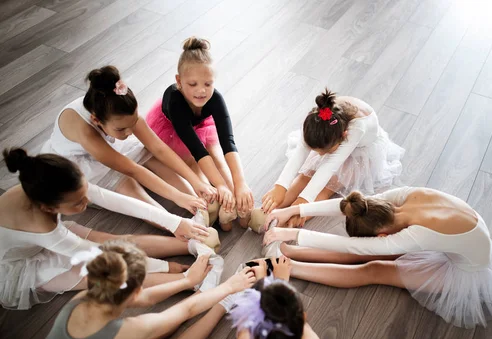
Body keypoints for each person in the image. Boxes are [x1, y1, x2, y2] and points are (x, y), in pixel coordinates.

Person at [17, 240, 256, 339]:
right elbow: (186, 311)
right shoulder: (126, 329)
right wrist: (228, 286)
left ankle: (206, 293)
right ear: (134, 292)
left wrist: (186, 281)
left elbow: (146, 297)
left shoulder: (84, 297)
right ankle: (223, 303)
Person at [263, 187, 492, 328]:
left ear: (382, 235)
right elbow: (349, 205)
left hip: (469, 268)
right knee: (371, 256)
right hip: (455, 240)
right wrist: (293, 210)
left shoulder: (417, 234)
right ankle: (292, 251)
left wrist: (294, 232)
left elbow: (353, 248)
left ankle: (289, 266)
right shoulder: (402, 199)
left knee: (374, 269)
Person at [0, 148, 209, 310]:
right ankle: (189, 282)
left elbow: (112, 200)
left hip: (49, 239)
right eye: (78, 203)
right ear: (49, 208)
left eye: (84, 196)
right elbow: (102, 258)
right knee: (111, 276)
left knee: (120, 241)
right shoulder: (41, 225)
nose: (86, 203)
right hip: (22, 265)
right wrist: (165, 267)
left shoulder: (49, 184)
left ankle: (192, 243)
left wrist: (174, 222)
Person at [41, 65, 213, 216]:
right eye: (122, 129)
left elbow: (158, 147)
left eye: (133, 124)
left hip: (110, 141)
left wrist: (195, 181)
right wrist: (177, 197)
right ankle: (176, 224)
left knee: (150, 155)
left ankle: (200, 203)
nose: (130, 132)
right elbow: (133, 170)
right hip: (79, 162)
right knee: (127, 185)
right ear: (96, 120)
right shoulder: (87, 132)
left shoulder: (122, 113)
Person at [147, 37, 253, 231]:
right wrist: (218, 186)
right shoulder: (176, 102)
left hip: (201, 125)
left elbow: (228, 142)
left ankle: (237, 203)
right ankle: (216, 201)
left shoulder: (215, 99)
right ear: (179, 81)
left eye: (208, 83)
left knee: (219, 160)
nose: (201, 91)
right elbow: (197, 149)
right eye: (193, 84)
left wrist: (240, 184)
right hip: (175, 130)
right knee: (194, 164)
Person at [261, 88, 404, 228]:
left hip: (361, 151)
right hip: (332, 139)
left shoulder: (355, 131)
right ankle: (266, 211)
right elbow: (300, 153)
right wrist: (280, 187)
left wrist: (303, 203)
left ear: (343, 136)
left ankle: (286, 222)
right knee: (305, 176)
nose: (320, 156)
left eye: (324, 152)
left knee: (329, 186)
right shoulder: (315, 121)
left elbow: (329, 167)